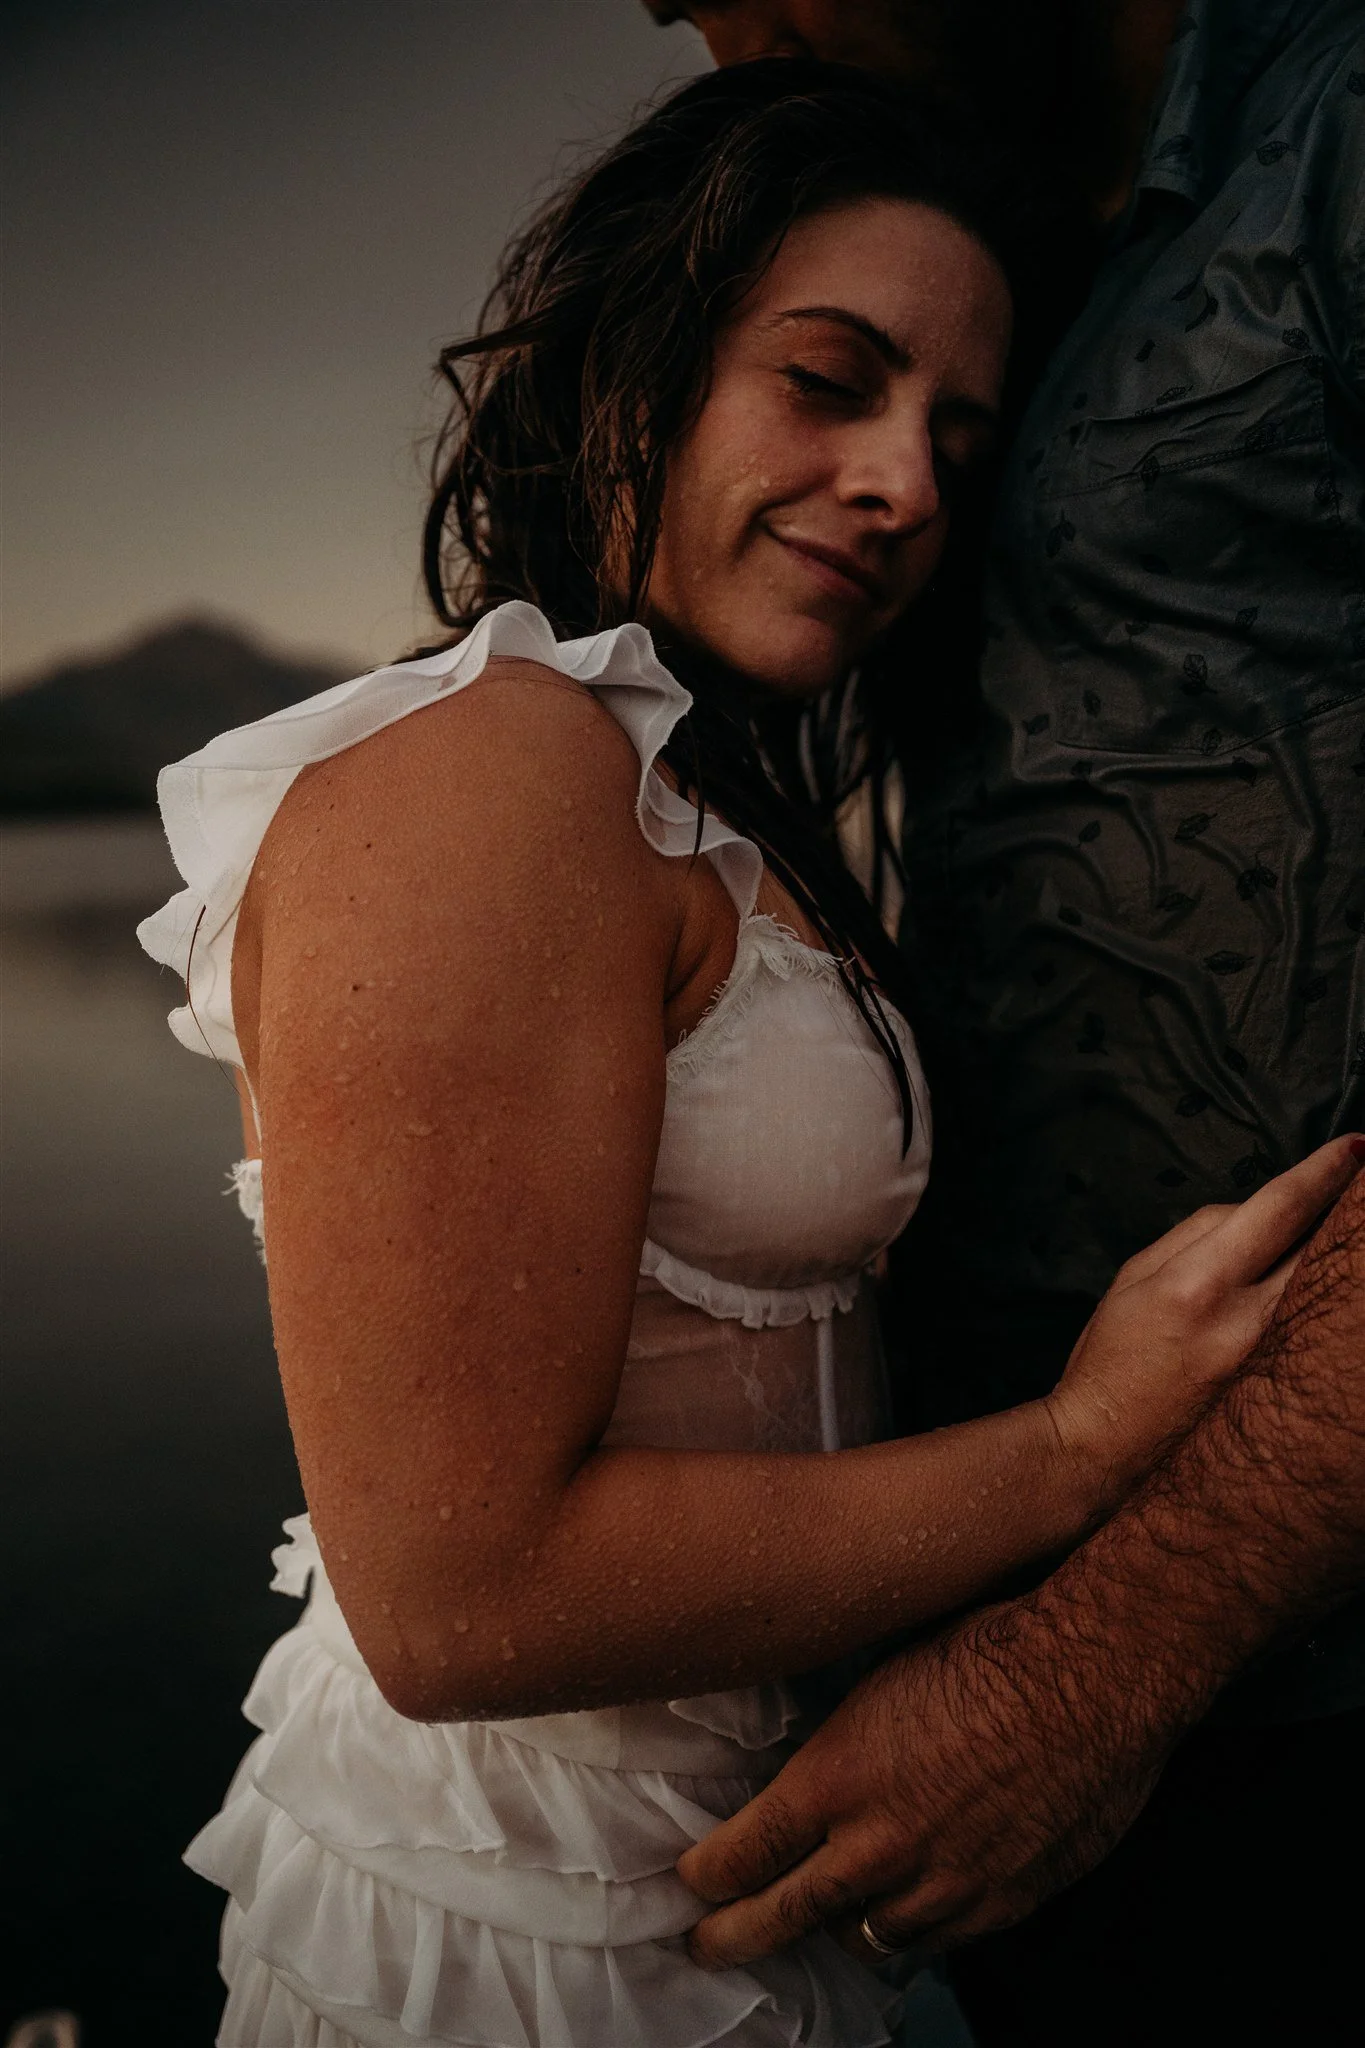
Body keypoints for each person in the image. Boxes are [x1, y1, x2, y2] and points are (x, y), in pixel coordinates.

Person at [137, 58, 1359, 2048]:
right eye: (827, 379)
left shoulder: (675, 793)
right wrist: (1077, 1450)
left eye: (956, 438)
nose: (904, 487)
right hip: (531, 1926)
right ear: (635, 362)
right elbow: (462, 1595)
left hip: (741, 1858)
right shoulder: (492, 768)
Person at [652, 6, 1365, 2044]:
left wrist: (1111, 1651)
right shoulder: (966, 244)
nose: (697, 20)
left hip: (1270, 1659)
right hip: (968, 1662)